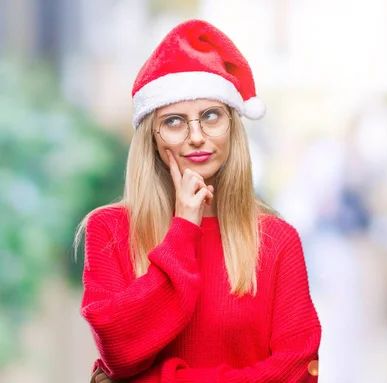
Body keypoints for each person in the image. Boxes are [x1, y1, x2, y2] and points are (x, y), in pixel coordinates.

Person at [74, 20, 321, 383]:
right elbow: (120, 352)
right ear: (152, 138)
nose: (196, 137)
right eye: (174, 121)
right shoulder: (109, 230)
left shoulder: (277, 240)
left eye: (210, 116)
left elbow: (298, 369)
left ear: (232, 126)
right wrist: (183, 228)